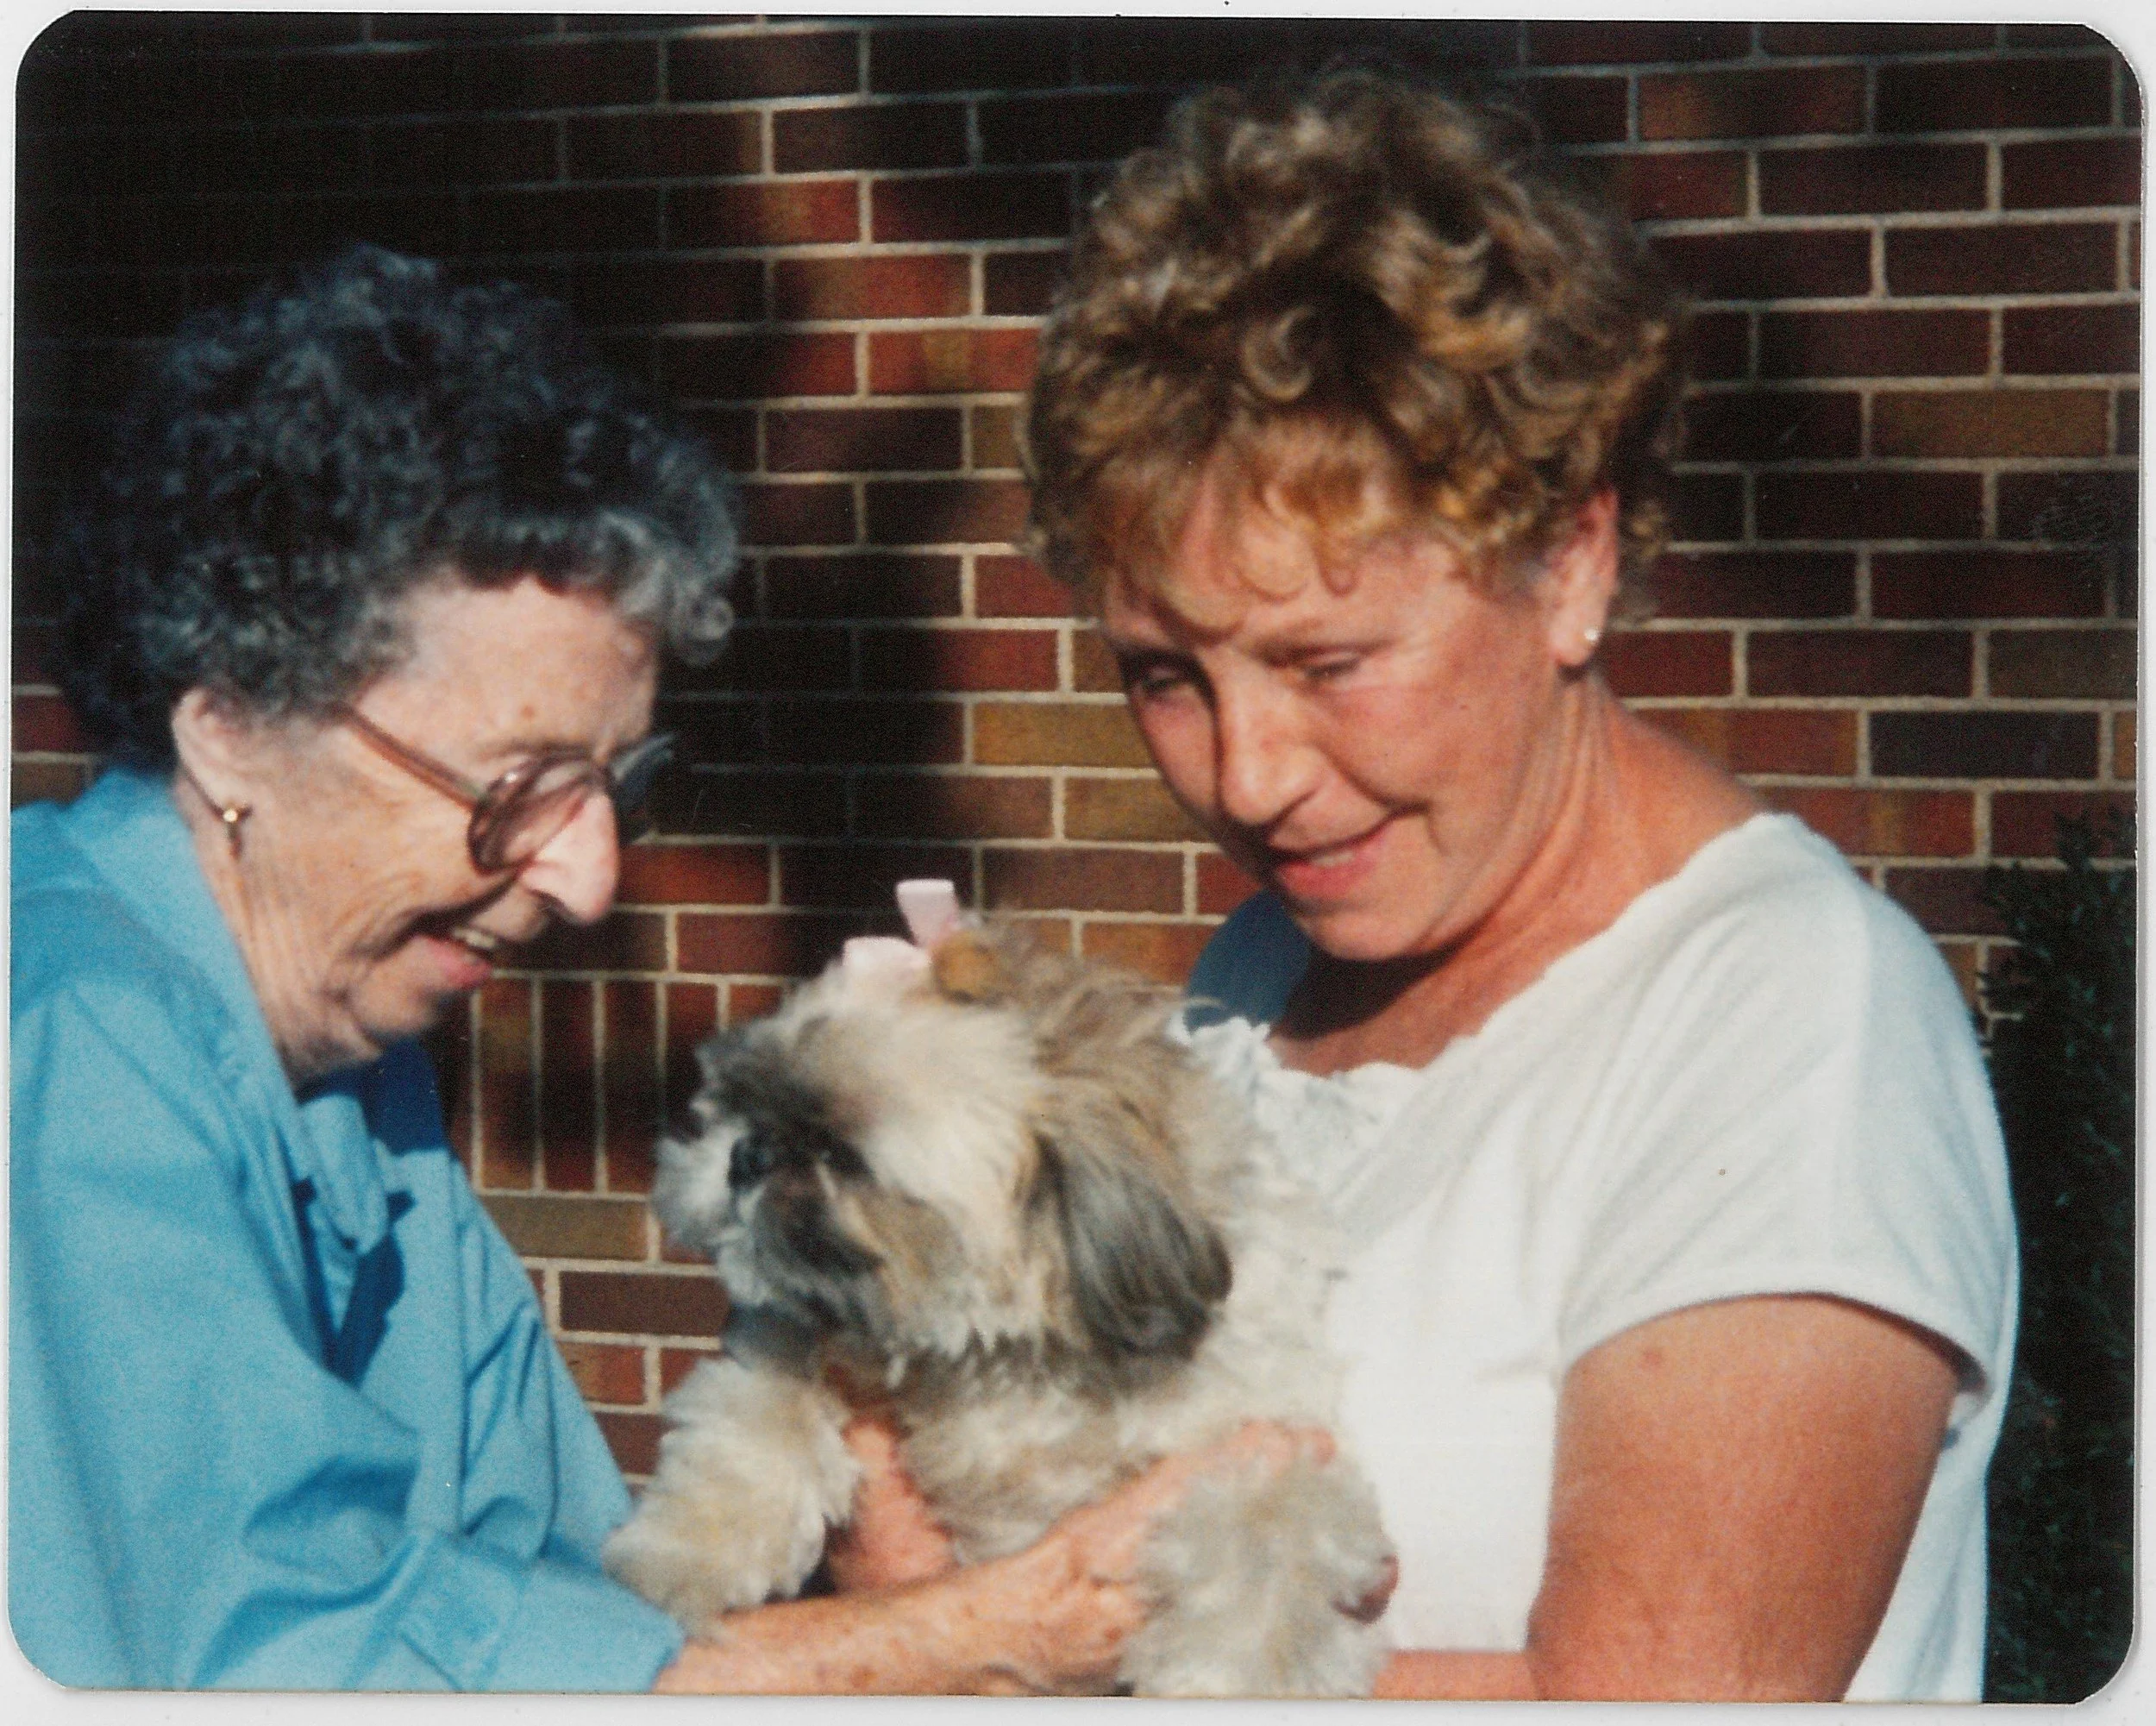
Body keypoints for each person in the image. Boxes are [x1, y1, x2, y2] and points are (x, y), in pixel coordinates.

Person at [9, 244, 1313, 1693]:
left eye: (613, 789)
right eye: (518, 788)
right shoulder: (72, 1043)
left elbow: (562, 1582)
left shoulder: (345, 1061)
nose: (589, 877)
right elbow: (247, 1660)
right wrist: (957, 1640)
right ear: (232, 724)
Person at [1021, 69, 2016, 1701]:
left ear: (1572, 565)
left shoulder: (1786, 1019)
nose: (1248, 774)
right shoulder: (1266, 971)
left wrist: (1012, 1653)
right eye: (1163, 675)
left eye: (1326, 659)